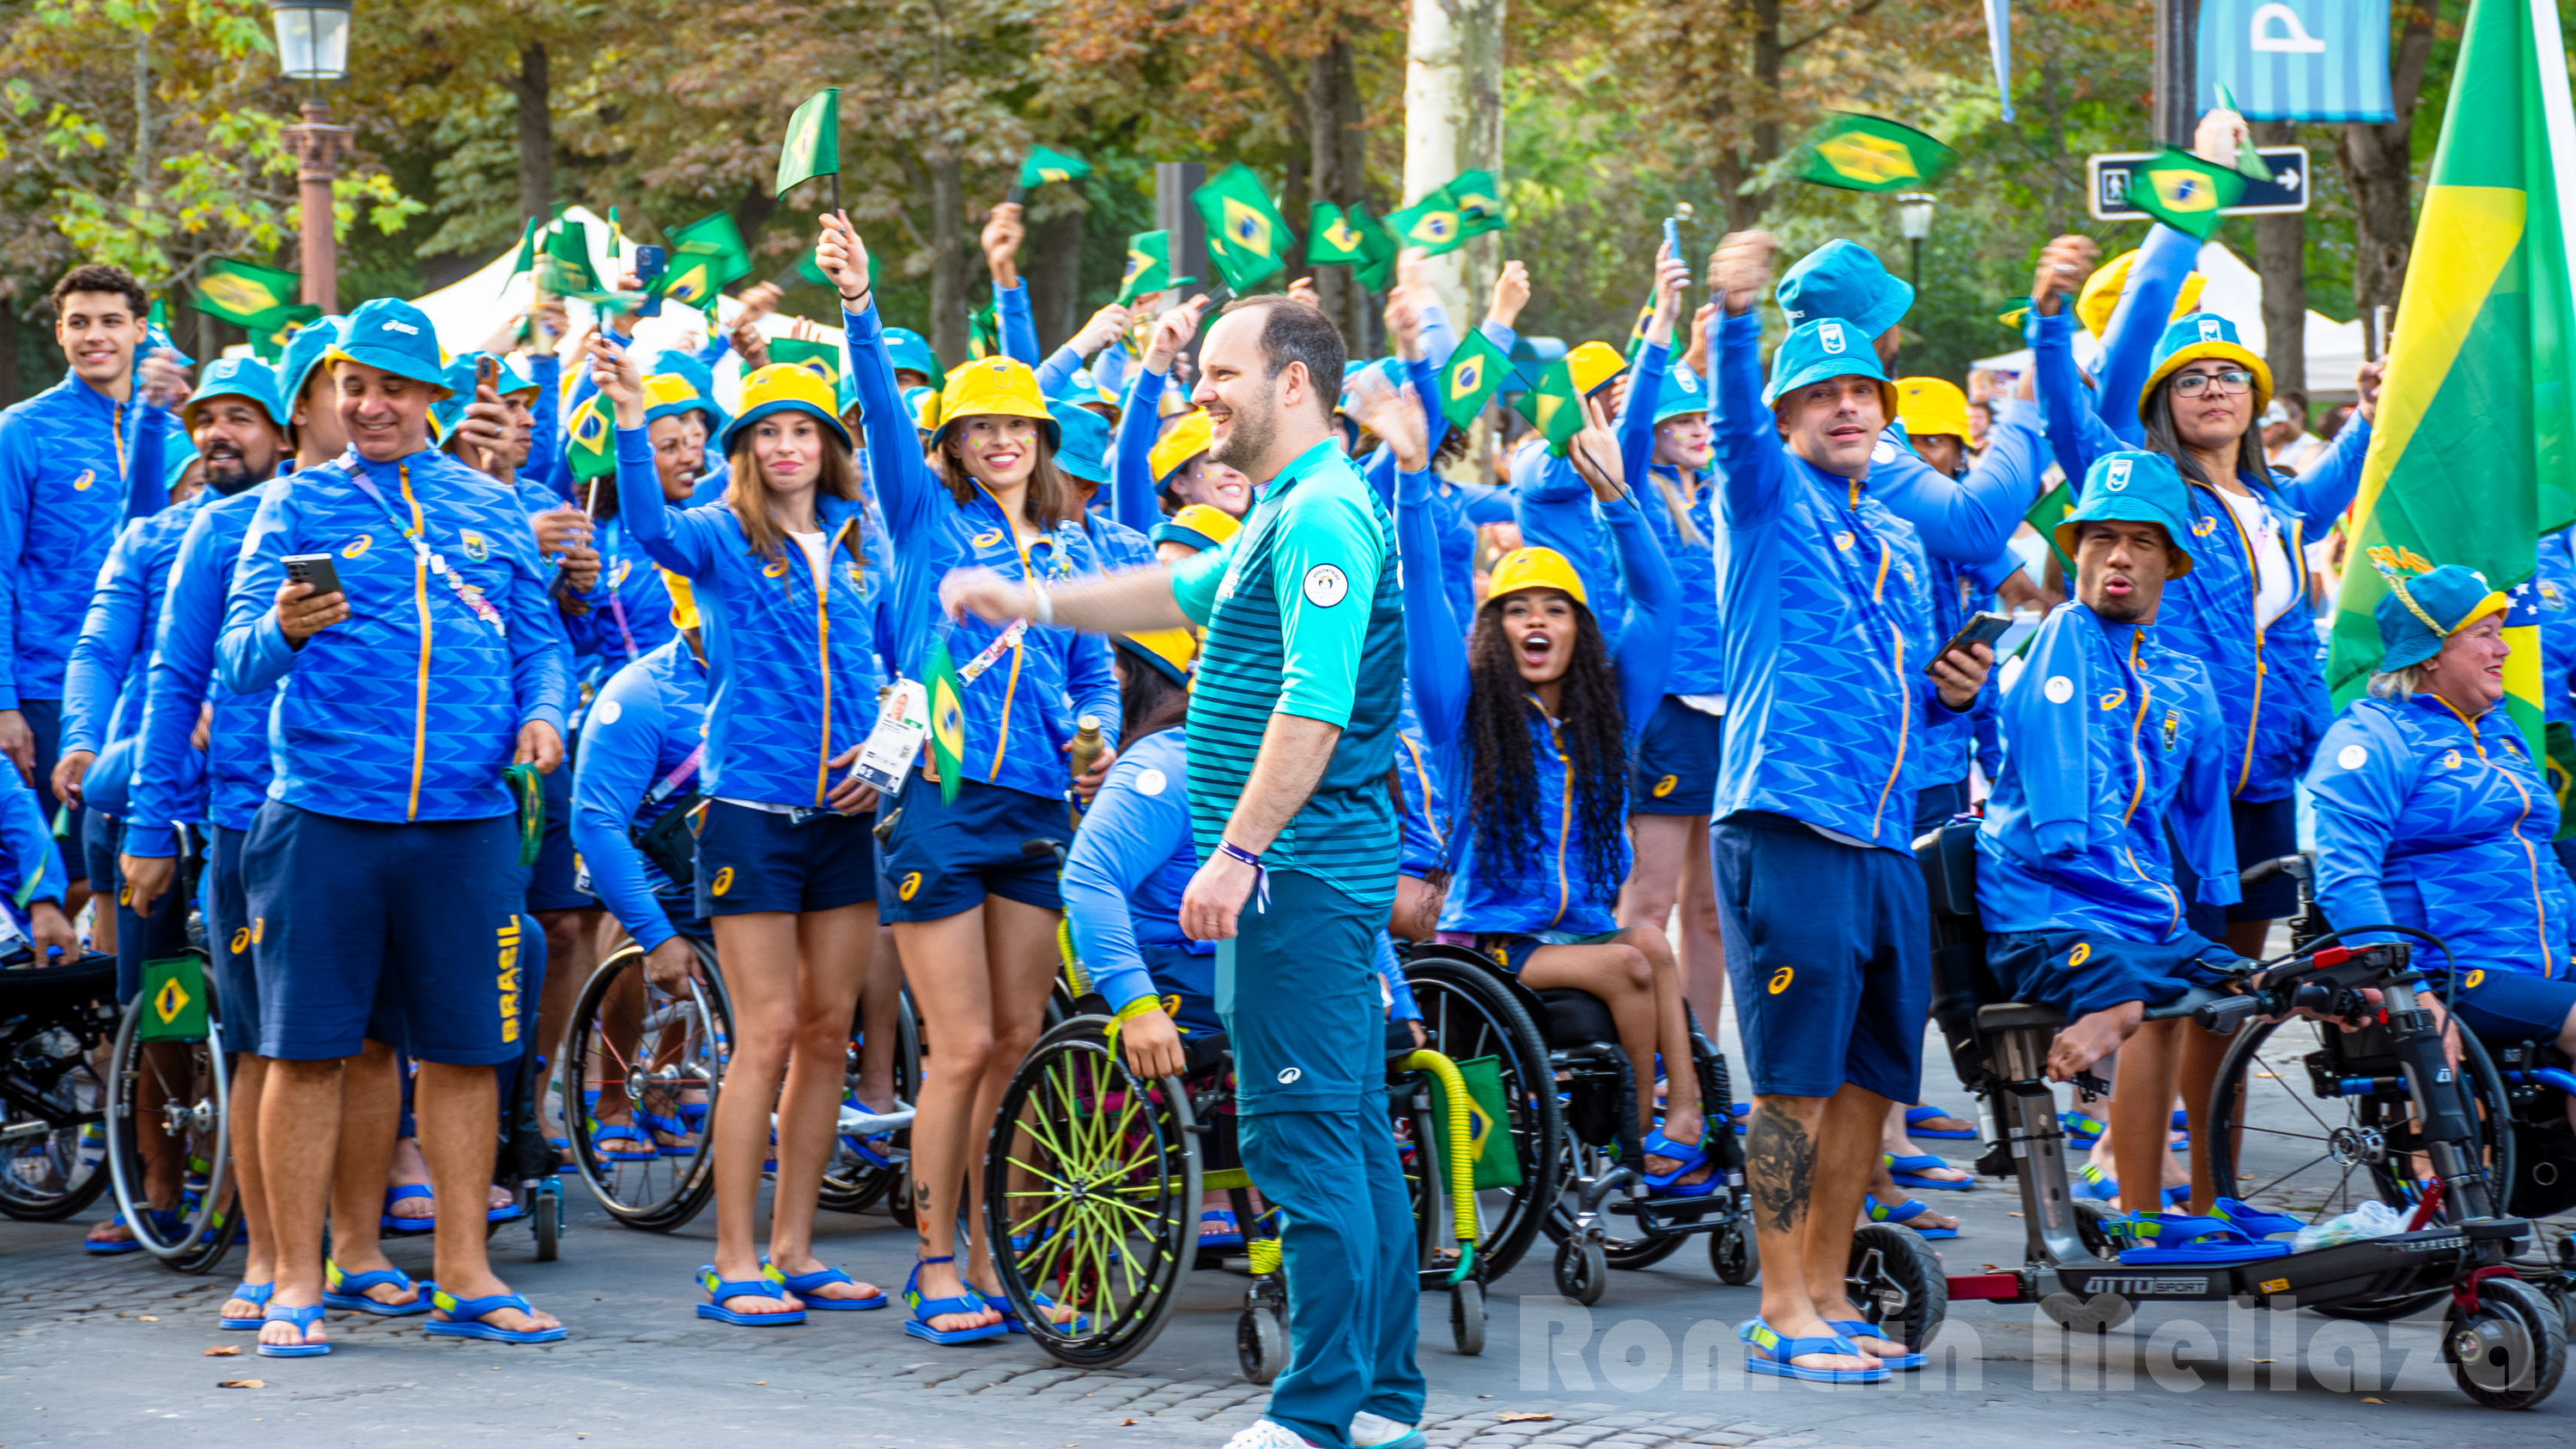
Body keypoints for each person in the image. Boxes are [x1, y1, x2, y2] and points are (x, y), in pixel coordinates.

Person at [942, 291, 1419, 1449]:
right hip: (1307, 876)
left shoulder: (1321, 515)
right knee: (1352, 1138)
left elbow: (1314, 703)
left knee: (1303, 1142)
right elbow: (1173, 593)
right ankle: (1379, 1405)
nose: (1199, 391)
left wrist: (1239, 852)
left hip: (1296, 877)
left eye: (1220, 372)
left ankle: (1317, 1415)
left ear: (1292, 383)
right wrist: (1033, 600)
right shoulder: (1286, 506)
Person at [215, 295, 572, 1356]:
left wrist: (545, 711)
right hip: (324, 818)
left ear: (434, 397)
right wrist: (283, 628)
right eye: (354, 386)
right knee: (306, 1049)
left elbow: (541, 643)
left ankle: (465, 1270)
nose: (370, 404)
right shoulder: (295, 505)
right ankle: (295, 1276)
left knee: (467, 1052)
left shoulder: (491, 504)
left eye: (393, 388)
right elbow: (237, 659)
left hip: (468, 821)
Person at [1705, 231, 1993, 1383]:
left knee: (1874, 1081)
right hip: (1788, 823)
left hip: (1885, 838)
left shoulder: (1901, 537)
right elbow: (1732, 428)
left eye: (1859, 391)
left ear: (1883, 407)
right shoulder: (1764, 498)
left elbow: (1908, 686)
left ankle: (1827, 1292)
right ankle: (1779, 1306)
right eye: (1817, 394)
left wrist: (1952, 688)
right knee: (1794, 1082)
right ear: (1785, 416)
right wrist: (1734, 326)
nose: (1843, 408)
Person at [829, 209, 1118, 1345]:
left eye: (1018, 426)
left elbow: (1093, 671)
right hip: (939, 800)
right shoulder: (919, 517)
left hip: (1037, 807)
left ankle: (997, 1251)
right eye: (980, 426)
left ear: (1044, 440)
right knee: (956, 1045)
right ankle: (935, 1261)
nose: (1002, 441)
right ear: (950, 444)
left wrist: (1094, 730)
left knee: (1012, 1040)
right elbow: (880, 409)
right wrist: (861, 305)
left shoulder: (1070, 547)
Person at [601, 343, 893, 1325]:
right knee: (765, 1030)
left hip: (847, 819)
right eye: (766, 431)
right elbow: (646, 525)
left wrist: (887, 759)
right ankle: (733, 1259)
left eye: (804, 428)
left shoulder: (865, 539)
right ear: (744, 449)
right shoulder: (720, 534)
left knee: (827, 1033)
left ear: (829, 443)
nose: (786, 445)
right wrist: (633, 417)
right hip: (751, 818)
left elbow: (909, 665)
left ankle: (795, 1249)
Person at [1976, 452, 2243, 1216]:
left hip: (2140, 910)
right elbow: (2055, 765)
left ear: (2171, 563)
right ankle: (2108, 1036)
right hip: (2049, 908)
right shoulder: (2065, 630)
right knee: (2125, 992)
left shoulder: (2185, 675)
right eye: (2101, 539)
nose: (2119, 557)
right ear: (2076, 553)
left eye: (2141, 541)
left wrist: (2215, 884)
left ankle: (2181, 1210)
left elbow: (2204, 805)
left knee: (2252, 987)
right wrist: (2072, 844)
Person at [2310, 564, 2576, 1131]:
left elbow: (2542, 858)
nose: (2503, 648)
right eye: (2484, 634)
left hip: (2542, 965)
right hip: (2454, 971)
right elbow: (2345, 878)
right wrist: (2408, 991)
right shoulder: (2374, 735)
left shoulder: (2499, 730)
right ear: (2430, 653)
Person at [0, 264, 185, 920]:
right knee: (73, 880)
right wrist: (6, 702)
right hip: (49, 687)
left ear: (140, 330)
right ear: (60, 333)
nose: (94, 336)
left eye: (111, 321)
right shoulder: (22, 429)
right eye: (79, 323)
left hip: (157, 687)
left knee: (152, 873)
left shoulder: (175, 430)